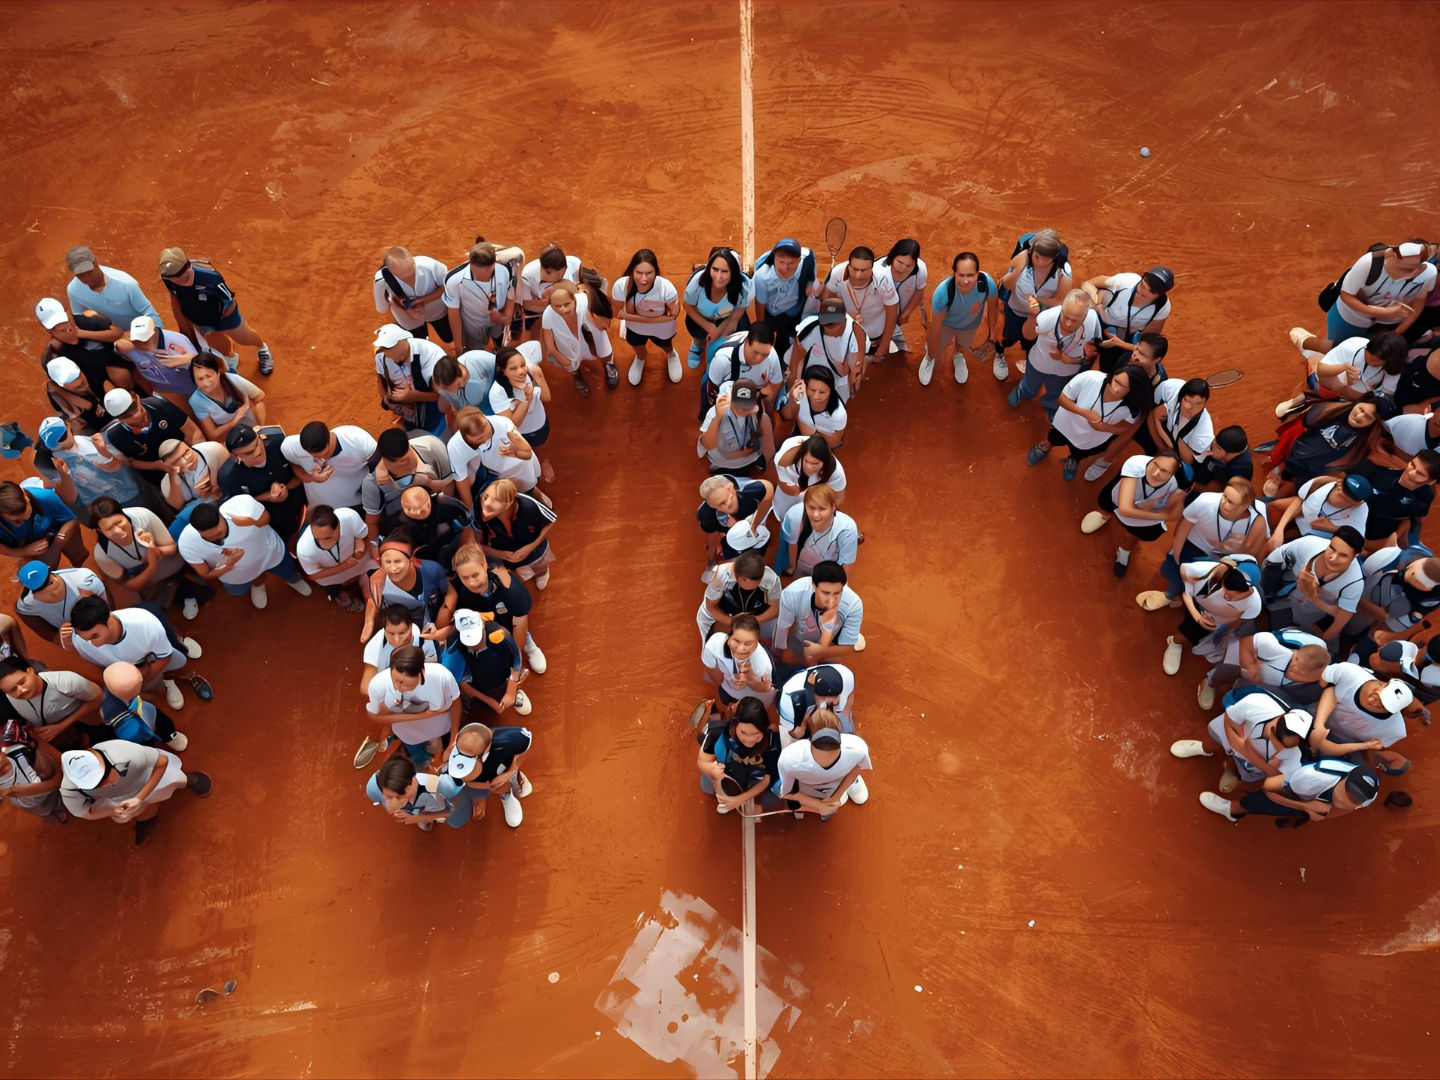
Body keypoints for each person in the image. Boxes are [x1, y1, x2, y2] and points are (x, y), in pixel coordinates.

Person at [1139, 478, 1269, 606]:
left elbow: (1252, 554)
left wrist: (1236, 550)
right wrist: (1176, 555)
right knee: (1179, 575)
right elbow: (1184, 526)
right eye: (1224, 496)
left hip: (1225, 559)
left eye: (1230, 502)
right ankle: (1170, 596)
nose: (1223, 502)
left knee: (1215, 586)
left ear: (1244, 506)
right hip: (1195, 545)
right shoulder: (1205, 501)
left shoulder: (1258, 518)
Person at [59, 740, 211, 844]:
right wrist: (115, 810)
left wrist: (139, 797)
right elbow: (87, 813)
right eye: (96, 785)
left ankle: (190, 780)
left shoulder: (127, 753)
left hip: (148, 776)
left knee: (176, 779)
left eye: (105, 777)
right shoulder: (69, 792)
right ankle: (146, 820)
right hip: (120, 798)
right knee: (138, 813)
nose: (108, 784)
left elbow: (162, 762)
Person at [177, 497, 313, 610]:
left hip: (271, 554)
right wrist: (228, 565)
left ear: (220, 515)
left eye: (219, 533)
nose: (216, 539)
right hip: (238, 576)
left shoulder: (242, 506)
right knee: (241, 589)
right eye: (207, 538)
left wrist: (251, 521)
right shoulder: (186, 542)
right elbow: (205, 573)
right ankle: (258, 584)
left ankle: (293, 580)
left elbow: (266, 518)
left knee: (288, 571)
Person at [157, 247, 273, 375]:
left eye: (180, 273)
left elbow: (229, 302)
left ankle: (262, 348)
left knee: (244, 338)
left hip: (224, 316)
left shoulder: (211, 278)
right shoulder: (167, 279)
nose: (177, 278)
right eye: (172, 276)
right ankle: (231, 362)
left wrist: (222, 323)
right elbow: (174, 296)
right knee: (220, 345)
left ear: (188, 265)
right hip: (199, 318)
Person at [1170, 693, 1310, 795]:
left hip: (1252, 763)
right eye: (1275, 733)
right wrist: (1237, 744)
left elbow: (1274, 776)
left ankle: (1231, 770)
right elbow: (1228, 720)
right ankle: (1203, 749)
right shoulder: (1259, 702)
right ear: (1281, 716)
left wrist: (1245, 750)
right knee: (1210, 742)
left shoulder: (1296, 757)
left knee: (1249, 785)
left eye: (1283, 745)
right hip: (1232, 736)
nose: (1275, 743)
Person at [89, 496, 208, 617]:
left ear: (124, 515)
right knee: (151, 604)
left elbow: (172, 548)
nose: (118, 531)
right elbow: (129, 585)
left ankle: (180, 587)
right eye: (109, 529)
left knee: (179, 572)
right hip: (141, 575)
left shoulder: (143, 516)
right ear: (100, 530)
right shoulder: (102, 553)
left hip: (165, 559)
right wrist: (151, 565)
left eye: (119, 522)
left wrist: (155, 550)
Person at [1025, 363, 1147, 481]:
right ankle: (1045, 446)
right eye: (1116, 381)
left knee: (1079, 453)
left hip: (1090, 438)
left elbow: (1126, 426)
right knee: (1054, 437)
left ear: (1133, 391)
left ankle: (1073, 459)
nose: (1115, 388)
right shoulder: (1090, 378)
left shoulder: (1134, 406)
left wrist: (1103, 427)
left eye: (1123, 387)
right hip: (1067, 424)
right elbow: (1062, 399)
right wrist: (1085, 413)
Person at [439, 544, 546, 674]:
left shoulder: (511, 590)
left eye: (475, 575)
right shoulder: (460, 591)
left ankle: (528, 644)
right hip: (485, 628)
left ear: (484, 565)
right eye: (465, 578)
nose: (471, 582)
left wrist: (515, 658)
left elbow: (520, 623)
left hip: (510, 622)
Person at [1082, 450, 1183, 578]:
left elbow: (1174, 512)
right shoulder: (1135, 464)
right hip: (1116, 498)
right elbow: (1125, 509)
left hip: (1140, 517)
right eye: (1155, 464)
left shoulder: (1174, 487)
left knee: (1130, 535)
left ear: (1173, 473)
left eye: (1164, 471)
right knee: (1105, 504)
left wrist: (1155, 508)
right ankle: (1103, 516)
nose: (1156, 473)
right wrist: (1162, 516)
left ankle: (1124, 552)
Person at [32, 416, 148, 525]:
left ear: (68, 425)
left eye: (62, 437)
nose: (60, 443)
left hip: (132, 495)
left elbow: (124, 463)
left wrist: (106, 454)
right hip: (108, 510)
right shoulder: (57, 465)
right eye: (54, 443)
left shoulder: (88, 439)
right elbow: (69, 499)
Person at [1259, 526, 1367, 642]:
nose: (1332, 558)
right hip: (1279, 591)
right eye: (1332, 548)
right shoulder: (1308, 544)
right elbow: (1273, 559)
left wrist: (1313, 597)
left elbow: (1340, 619)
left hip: (1306, 616)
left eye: (1343, 555)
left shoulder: (1354, 584)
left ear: (1355, 556)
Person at [1007, 288, 1101, 420]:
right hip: (1039, 364)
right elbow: (1028, 335)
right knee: (1030, 384)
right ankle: (1023, 392)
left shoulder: (1092, 319)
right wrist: (1032, 316)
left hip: (1067, 371)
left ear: (1085, 315)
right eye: (1065, 316)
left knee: (1056, 391)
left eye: (1074, 320)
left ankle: (1050, 406)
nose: (1068, 323)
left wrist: (1071, 361)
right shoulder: (1048, 317)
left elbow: (1094, 346)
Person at [1198, 758, 1380, 826]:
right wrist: (1305, 806)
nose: (1346, 799)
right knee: (1264, 798)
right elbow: (1270, 789)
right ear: (1343, 779)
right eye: (1347, 791)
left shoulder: (1369, 796)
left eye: (1354, 800)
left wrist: (1321, 814)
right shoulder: (1311, 777)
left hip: (1312, 799)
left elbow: (1338, 810)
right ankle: (1233, 810)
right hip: (1296, 786)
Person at [1266, 397, 1388, 498]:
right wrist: (1279, 461)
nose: (1359, 417)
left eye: (1367, 417)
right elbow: (1298, 432)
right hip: (1291, 456)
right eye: (1361, 409)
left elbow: (1335, 467)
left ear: (1372, 423)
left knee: (1280, 495)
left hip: (1308, 473)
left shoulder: (1360, 444)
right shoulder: (1330, 411)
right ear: (1357, 403)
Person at [364, 644, 463, 768]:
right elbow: (378, 717)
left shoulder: (442, 677)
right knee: (419, 758)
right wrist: (423, 715)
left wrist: (453, 738)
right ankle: (422, 761)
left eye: (402, 682)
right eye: (393, 678)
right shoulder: (378, 685)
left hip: (441, 728)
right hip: (408, 735)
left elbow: (456, 704)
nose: (396, 686)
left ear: (421, 671)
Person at [1161, 557, 1263, 676]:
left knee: (1203, 631)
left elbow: (1241, 620)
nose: (1226, 598)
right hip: (1194, 602)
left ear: (1250, 590)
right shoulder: (1204, 570)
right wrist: (1198, 618)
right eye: (1225, 591)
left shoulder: (1254, 604)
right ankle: (1175, 642)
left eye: (1232, 596)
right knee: (1192, 629)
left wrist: (1228, 631)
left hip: (1212, 618)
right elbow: (1185, 591)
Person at [1310, 663, 1415, 775]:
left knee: (1362, 775)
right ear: (1383, 683)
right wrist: (1319, 726)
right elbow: (1325, 685)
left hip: (1343, 744)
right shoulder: (1350, 672)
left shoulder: (1395, 730)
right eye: (1380, 697)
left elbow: (1326, 748)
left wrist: (1366, 747)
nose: (1375, 702)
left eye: (1384, 705)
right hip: (1314, 714)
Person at [996, 230, 1073, 378]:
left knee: (1032, 342)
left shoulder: (1064, 272)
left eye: (1046, 260)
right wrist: (1016, 272)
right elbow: (1006, 284)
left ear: (1055, 257)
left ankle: (1028, 358)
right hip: (1015, 309)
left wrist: (1038, 302)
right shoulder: (1022, 257)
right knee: (1007, 336)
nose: (1040, 263)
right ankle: (999, 353)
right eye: (1037, 257)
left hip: (1040, 316)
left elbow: (1059, 301)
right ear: (1032, 251)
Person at [1326, 240, 1435, 342]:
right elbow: (1346, 295)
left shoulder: (1428, 273)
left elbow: (1419, 301)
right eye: (1408, 269)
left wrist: (1397, 332)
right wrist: (1385, 312)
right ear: (1395, 257)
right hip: (1351, 318)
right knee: (1335, 346)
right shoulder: (1368, 263)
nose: (1414, 274)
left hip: (1385, 327)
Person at [218, 424, 307, 543]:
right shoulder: (228, 477)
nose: (258, 452)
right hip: (268, 517)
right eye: (248, 453)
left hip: (301, 497)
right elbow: (238, 509)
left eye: (257, 444)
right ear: (235, 457)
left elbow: (302, 470)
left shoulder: (279, 440)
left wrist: (286, 487)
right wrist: (268, 496)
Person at [441, 609, 533, 724]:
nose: (474, 646)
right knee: (480, 705)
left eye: (476, 638)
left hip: (502, 674)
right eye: (468, 641)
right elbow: (462, 683)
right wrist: (490, 702)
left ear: (483, 626)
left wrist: (510, 691)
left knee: (509, 682)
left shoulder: (500, 635)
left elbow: (516, 660)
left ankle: (515, 693)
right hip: (476, 683)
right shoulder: (453, 648)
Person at [776, 710, 871, 820]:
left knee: (828, 814)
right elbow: (787, 793)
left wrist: (837, 797)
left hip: (834, 792)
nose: (826, 760)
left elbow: (857, 766)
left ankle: (853, 782)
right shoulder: (790, 759)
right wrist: (818, 805)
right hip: (805, 794)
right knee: (799, 809)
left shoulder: (858, 750)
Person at [921, 251, 998, 386]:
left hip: (970, 325)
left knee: (963, 345)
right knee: (935, 347)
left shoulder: (987, 283)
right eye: (961, 275)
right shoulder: (943, 293)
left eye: (971, 275)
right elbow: (936, 326)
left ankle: (958, 355)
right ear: (954, 274)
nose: (965, 280)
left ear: (978, 273)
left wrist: (992, 332)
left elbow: (993, 307)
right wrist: (932, 352)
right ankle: (929, 358)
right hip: (946, 325)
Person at [772, 434, 847, 572]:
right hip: (788, 501)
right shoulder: (784, 459)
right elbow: (782, 483)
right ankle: (788, 564)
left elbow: (838, 498)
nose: (810, 467)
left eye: (816, 464)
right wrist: (795, 492)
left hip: (815, 502)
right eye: (807, 461)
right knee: (788, 532)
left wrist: (818, 501)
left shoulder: (835, 472)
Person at [360, 428, 455, 535]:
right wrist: (374, 545)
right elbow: (373, 522)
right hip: (403, 529)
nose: (404, 469)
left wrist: (444, 517)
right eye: (398, 467)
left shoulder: (432, 446)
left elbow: (450, 484)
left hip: (437, 514)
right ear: (384, 461)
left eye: (405, 461)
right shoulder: (372, 483)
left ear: (409, 447)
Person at [774, 561, 866, 673]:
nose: (832, 600)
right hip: (800, 642)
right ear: (813, 585)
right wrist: (777, 653)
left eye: (837, 593)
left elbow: (848, 647)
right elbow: (783, 626)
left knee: (816, 656)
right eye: (826, 593)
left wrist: (820, 650)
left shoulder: (853, 604)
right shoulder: (792, 593)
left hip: (830, 644)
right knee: (792, 659)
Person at [695, 698, 780, 815]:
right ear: (734, 726)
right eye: (743, 733)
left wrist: (738, 800)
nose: (749, 739)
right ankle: (713, 717)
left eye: (755, 734)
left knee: (771, 802)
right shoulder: (716, 735)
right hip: (723, 776)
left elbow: (767, 779)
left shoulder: (772, 742)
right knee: (706, 787)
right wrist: (711, 770)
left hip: (751, 779)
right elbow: (702, 762)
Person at [35, 296, 132, 397]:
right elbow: (58, 387)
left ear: (67, 311)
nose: (62, 325)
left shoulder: (87, 319)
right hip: (93, 385)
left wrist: (81, 333)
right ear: (46, 328)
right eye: (55, 326)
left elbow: (117, 333)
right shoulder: (53, 356)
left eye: (63, 320)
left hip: (115, 363)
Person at [357, 536, 449, 643]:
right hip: (394, 614)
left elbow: (448, 593)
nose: (393, 568)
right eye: (388, 562)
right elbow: (373, 599)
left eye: (398, 561)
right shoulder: (376, 578)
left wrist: (442, 619)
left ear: (411, 560)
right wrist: (369, 622)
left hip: (424, 614)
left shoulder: (431, 571)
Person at [446, 406, 541, 510]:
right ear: (466, 438)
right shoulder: (455, 446)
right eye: (480, 439)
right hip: (498, 471)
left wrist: (516, 451)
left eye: (487, 427)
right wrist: (470, 511)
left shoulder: (503, 424)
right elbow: (461, 480)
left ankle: (535, 491)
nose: (486, 438)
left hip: (520, 465)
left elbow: (526, 453)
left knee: (529, 487)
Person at [1081, 266, 1174, 371]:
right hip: (1097, 323)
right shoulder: (1127, 282)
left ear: (1160, 295)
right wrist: (1095, 297)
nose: (1143, 291)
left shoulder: (1162, 307)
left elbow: (1146, 344)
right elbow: (1088, 284)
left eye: (1151, 291)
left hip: (1122, 339)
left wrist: (1119, 343)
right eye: (1142, 285)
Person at [445, 721, 535, 828]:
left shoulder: (508, 739)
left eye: (470, 767)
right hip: (486, 781)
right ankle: (505, 791)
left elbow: (526, 748)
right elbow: (467, 782)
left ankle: (510, 785)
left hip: (504, 768)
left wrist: (512, 770)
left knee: (522, 791)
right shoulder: (454, 758)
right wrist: (484, 792)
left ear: (484, 753)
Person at [487, 344, 555, 484]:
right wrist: (527, 400)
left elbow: (547, 397)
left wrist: (539, 376)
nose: (521, 371)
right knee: (521, 455)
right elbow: (512, 424)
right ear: (503, 371)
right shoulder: (497, 393)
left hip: (539, 423)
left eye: (522, 365)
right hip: (519, 434)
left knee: (541, 444)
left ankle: (543, 461)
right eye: (513, 368)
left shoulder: (531, 373)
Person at [101, 388, 195, 489]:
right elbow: (130, 461)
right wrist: (158, 466)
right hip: (161, 477)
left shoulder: (159, 405)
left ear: (137, 398)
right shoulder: (114, 436)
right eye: (127, 416)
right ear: (118, 418)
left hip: (189, 457)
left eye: (134, 409)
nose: (136, 416)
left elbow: (193, 433)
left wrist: (198, 459)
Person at [612, 248, 682, 384]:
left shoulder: (667, 288)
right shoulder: (621, 286)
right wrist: (658, 318)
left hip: (663, 330)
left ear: (656, 272)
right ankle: (640, 359)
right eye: (639, 273)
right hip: (635, 329)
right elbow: (617, 314)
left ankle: (672, 354)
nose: (644, 279)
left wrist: (629, 317)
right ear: (632, 270)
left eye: (649, 273)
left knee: (666, 345)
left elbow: (674, 315)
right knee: (638, 346)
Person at [0, 657, 103, 748]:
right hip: (55, 742)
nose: (22, 690)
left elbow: (97, 696)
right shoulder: (9, 696)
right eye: (12, 690)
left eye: (22, 682)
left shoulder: (65, 681)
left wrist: (61, 726)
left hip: (88, 728)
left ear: (30, 671)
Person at [472, 479, 557, 589]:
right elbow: (476, 544)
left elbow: (551, 520)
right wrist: (503, 555)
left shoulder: (529, 505)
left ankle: (542, 573)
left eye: (492, 508)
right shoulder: (477, 508)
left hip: (533, 549)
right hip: (502, 553)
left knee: (539, 564)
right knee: (516, 572)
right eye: (485, 497)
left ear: (508, 503)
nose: (485, 507)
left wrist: (529, 548)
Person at [822, 245, 898, 361]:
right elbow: (828, 301)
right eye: (854, 269)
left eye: (863, 270)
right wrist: (846, 315)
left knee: (870, 360)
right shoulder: (837, 274)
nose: (858, 275)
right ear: (849, 265)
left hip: (875, 333)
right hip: (846, 331)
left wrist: (884, 344)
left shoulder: (883, 280)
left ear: (872, 268)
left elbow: (892, 312)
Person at [281, 421, 377, 512]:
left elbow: (379, 468)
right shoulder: (291, 448)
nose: (322, 459)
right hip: (319, 510)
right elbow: (294, 464)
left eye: (325, 454)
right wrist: (312, 478)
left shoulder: (357, 439)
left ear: (329, 438)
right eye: (315, 457)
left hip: (357, 505)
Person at [684, 247, 753, 372]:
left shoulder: (744, 286)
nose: (718, 277)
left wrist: (722, 334)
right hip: (700, 318)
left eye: (725, 271)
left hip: (727, 318)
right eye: (715, 269)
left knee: (732, 339)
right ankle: (697, 346)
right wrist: (709, 327)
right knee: (699, 335)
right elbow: (687, 306)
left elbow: (738, 312)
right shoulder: (697, 281)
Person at [64, 245, 163, 331]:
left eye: (89, 272)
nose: (87, 278)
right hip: (113, 336)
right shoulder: (73, 290)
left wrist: (157, 339)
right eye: (81, 275)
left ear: (96, 263)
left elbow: (150, 313)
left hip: (142, 333)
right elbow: (80, 318)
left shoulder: (126, 284)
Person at [296, 505, 375, 611]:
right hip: (331, 574)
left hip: (357, 561)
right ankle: (336, 590)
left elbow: (364, 536)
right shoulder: (303, 548)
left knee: (373, 571)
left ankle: (363, 581)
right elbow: (313, 575)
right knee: (332, 586)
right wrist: (345, 566)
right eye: (317, 538)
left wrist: (360, 548)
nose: (322, 543)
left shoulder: (349, 516)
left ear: (338, 526)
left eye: (327, 538)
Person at [541, 282, 615, 395]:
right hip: (566, 345)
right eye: (557, 306)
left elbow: (588, 291)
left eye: (567, 304)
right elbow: (549, 344)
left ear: (574, 299)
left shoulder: (584, 301)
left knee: (603, 348)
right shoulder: (548, 314)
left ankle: (609, 364)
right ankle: (576, 374)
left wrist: (592, 316)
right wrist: (559, 357)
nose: (563, 310)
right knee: (571, 364)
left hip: (588, 335)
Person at [752, 237, 817, 367]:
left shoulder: (808, 258)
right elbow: (760, 305)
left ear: (799, 260)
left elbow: (810, 267)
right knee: (778, 347)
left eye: (791, 263)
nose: (785, 268)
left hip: (796, 309)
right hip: (774, 314)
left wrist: (810, 283)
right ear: (774, 257)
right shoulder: (762, 276)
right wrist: (763, 328)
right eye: (781, 262)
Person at [114, 315, 200, 410]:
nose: (140, 343)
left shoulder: (177, 341)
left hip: (195, 390)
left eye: (145, 340)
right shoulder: (129, 348)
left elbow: (202, 365)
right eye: (137, 339)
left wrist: (189, 359)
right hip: (166, 393)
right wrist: (118, 345)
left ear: (155, 333)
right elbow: (119, 345)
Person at [696, 550, 782, 642]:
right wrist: (732, 621)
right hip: (718, 612)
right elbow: (711, 606)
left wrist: (754, 620)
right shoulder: (720, 577)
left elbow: (775, 608)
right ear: (737, 576)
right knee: (715, 645)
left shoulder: (771, 578)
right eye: (745, 585)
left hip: (751, 613)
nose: (749, 589)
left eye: (756, 584)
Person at [444, 242, 515, 352]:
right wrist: (459, 347)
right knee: (475, 352)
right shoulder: (454, 280)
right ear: (470, 263)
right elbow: (454, 314)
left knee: (501, 343)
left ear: (494, 265)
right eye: (475, 271)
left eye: (486, 272)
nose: (479, 277)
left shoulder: (506, 269)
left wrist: (506, 317)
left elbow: (511, 293)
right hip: (473, 325)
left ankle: (498, 348)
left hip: (498, 320)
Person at [14, 559, 108, 644]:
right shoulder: (27, 604)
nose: (51, 590)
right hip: (76, 637)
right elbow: (46, 632)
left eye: (49, 582)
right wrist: (60, 638)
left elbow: (108, 605)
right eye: (41, 588)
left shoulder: (84, 579)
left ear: (51, 572)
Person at [372, 323, 444, 432]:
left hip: (435, 409)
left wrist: (413, 396)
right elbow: (381, 379)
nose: (386, 353)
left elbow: (443, 395)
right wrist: (394, 404)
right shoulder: (382, 357)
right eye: (384, 349)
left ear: (404, 341)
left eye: (389, 347)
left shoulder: (431, 355)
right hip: (408, 414)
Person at [1266, 474, 1372, 548]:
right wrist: (1279, 531)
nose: (1341, 501)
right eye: (1341, 494)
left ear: (1358, 502)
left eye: (1347, 500)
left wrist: (1331, 528)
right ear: (1339, 482)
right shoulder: (1322, 482)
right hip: (1298, 518)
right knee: (1271, 508)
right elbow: (1299, 500)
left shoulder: (1361, 509)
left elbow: (1357, 539)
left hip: (1312, 538)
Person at [0, 479, 86, 569]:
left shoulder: (45, 497)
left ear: (25, 495)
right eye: (17, 521)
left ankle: (80, 568)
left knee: (77, 554)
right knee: (43, 571)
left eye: (27, 506)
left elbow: (72, 519)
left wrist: (58, 543)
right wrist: (23, 551)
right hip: (29, 544)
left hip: (60, 528)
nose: (25, 518)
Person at [374, 245, 452, 342]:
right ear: (391, 271)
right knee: (419, 344)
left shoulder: (430, 265)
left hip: (438, 312)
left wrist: (422, 301)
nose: (410, 276)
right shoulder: (381, 280)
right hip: (409, 320)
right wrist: (401, 305)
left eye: (411, 269)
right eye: (403, 276)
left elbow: (448, 287)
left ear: (413, 260)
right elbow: (382, 308)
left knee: (449, 337)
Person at [702, 613, 775, 716]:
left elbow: (766, 688)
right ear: (729, 638)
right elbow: (716, 676)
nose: (741, 649)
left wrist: (750, 680)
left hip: (756, 700)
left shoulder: (763, 664)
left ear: (756, 644)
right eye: (737, 641)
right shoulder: (713, 644)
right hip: (726, 689)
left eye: (748, 643)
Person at [780, 484, 860, 579]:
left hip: (828, 570)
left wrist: (841, 586)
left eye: (822, 509)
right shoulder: (796, 517)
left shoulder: (847, 528)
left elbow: (845, 563)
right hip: (802, 563)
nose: (816, 515)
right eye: (811, 508)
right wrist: (793, 567)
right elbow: (792, 543)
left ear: (833, 507)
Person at [360, 604, 440, 699]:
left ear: (410, 627)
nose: (397, 640)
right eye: (391, 633)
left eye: (402, 633)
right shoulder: (374, 647)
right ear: (384, 630)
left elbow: (434, 673)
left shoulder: (425, 636)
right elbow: (365, 688)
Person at [704, 324, 785, 416]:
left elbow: (776, 382)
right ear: (746, 343)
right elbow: (712, 392)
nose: (759, 359)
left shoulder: (772, 355)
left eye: (765, 354)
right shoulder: (722, 360)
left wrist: (768, 409)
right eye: (755, 353)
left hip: (751, 399)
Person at [1362, 450, 1439, 547]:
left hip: (1385, 533)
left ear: (1431, 481)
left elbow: (1419, 517)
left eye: (1420, 474)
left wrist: (1402, 530)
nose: (1411, 473)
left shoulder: (1425, 496)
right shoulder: (1382, 474)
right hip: (1359, 517)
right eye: (1413, 465)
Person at [792, 298, 864, 400]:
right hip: (812, 379)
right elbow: (799, 359)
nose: (828, 326)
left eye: (834, 323)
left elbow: (852, 368)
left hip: (838, 382)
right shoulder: (811, 330)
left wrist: (850, 375)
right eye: (826, 322)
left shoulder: (853, 334)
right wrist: (798, 382)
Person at [698, 379, 773, 475]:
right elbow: (706, 444)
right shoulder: (714, 414)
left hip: (749, 456)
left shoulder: (757, 410)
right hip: (724, 461)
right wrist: (718, 418)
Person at [364, 754, 455, 833]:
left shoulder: (436, 791)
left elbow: (452, 812)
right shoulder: (373, 787)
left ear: (409, 787)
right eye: (386, 796)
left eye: (395, 797)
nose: (388, 806)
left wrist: (420, 818)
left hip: (430, 808)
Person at [186, 352, 265, 443]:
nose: (206, 383)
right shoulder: (196, 401)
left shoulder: (234, 380)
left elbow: (259, 397)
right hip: (233, 439)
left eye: (209, 376)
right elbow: (213, 435)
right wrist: (235, 419)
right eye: (200, 379)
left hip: (254, 427)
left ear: (218, 373)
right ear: (194, 381)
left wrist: (261, 428)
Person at [696, 473, 774, 564]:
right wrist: (711, 555)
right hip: (731, 537)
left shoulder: (749, 490)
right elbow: (711, 532)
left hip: (754, 528)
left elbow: (768, 488)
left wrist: (755, 524)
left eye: (724, 502)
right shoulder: (705, 514)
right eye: (715, 507)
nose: (721, 509)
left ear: (731, 489)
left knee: (754, 563)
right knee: (733, 561)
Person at [0, 722, 69, 823]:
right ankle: (53, 813)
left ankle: (54, 811)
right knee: (46, 808)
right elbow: (56, 782)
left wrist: (36, 742)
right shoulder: (7, 789)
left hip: (37, 782)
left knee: (46, 773)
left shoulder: (14, 747)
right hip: (31, 800)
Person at [385, 486, 471, 566]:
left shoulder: (450, 507)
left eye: (422, 510)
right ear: (403, 507)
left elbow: (468, 525)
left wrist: (466, 549)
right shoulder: (397, 525)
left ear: (429, 503)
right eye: (410, 509)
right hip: (421, 562)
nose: (417, 513)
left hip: (454, 548)